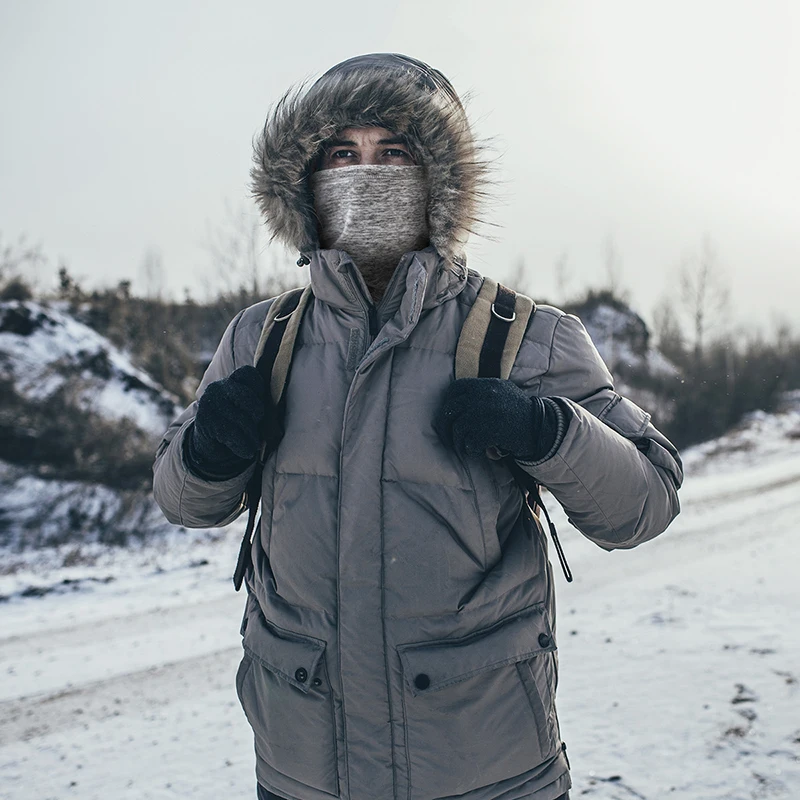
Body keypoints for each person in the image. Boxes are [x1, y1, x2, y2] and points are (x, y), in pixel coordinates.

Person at [152, 53, 683, 800]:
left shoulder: (528, 338)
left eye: (393, 152)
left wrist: (546, 432)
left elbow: (647, 502)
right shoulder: (261, 337)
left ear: (441, 180)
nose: (365, 174)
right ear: (302, 182)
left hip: (484, 771)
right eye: (343, 154)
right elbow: (181, 500)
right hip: (304, 771)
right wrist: (208, 452)